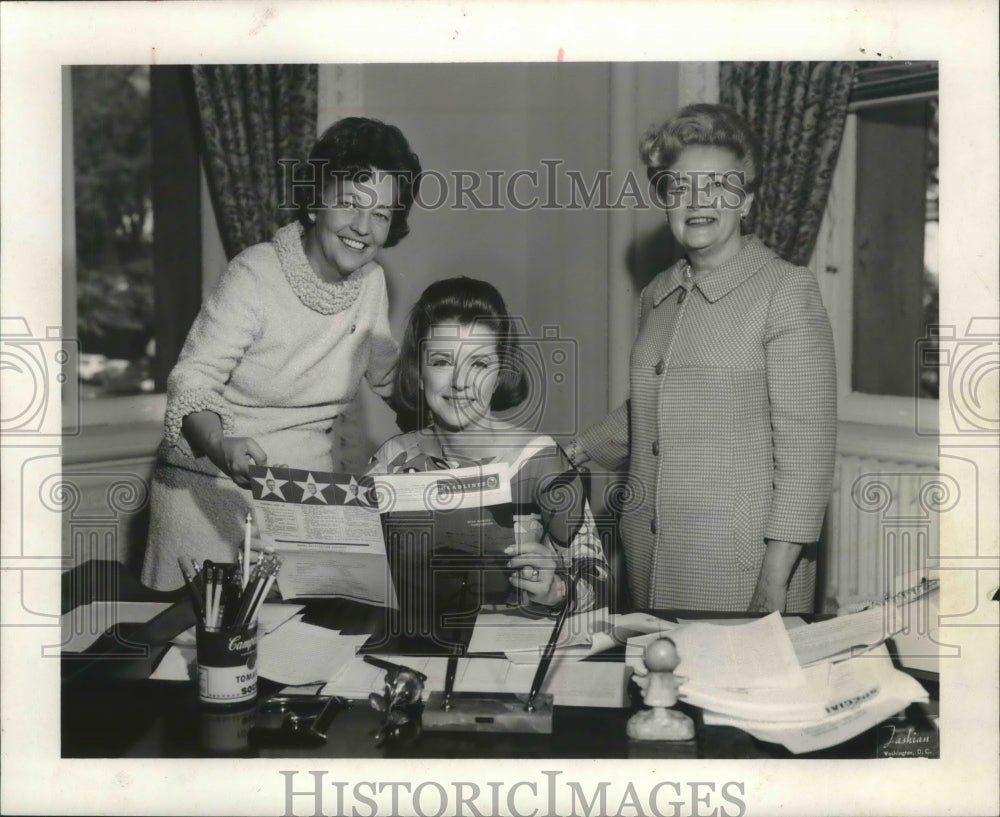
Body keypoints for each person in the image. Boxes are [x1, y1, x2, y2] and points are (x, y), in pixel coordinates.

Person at [568, 103, 836, 614]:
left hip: (743, 569)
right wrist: (571, 453)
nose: (697, 200)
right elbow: (653, 406)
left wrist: (774, 581)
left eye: (718, 184)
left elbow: (807, 459)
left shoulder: (785, 290)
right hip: (649, 555)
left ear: (748, 199)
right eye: (679, 186)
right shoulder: (657, 294)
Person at [141, 117, 422, 590]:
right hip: (212, 495)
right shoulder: (254, 274)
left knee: (313, 649)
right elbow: (192, 381)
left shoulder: (370, 283)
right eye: (350, 204)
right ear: (315, 202)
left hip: (304, 497)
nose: (362, 227)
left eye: (381, 214)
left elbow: (388, 373)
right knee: (210, 651)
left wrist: (452, 416)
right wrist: (221, 446)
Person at [367, 277, 610, 616]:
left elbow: (598, 582)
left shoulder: (540, 461)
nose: (460, 381)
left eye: (479, 364)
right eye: (441, 361)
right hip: (415, 644)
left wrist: (557, 589)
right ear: (419, 371)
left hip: (511, 651)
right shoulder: (391, 459)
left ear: (499, 375)